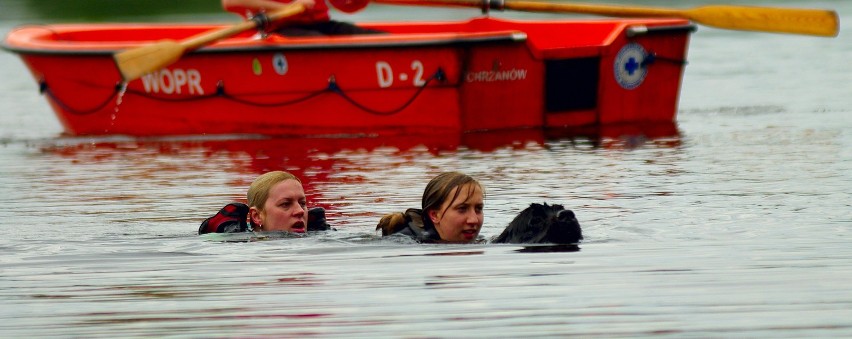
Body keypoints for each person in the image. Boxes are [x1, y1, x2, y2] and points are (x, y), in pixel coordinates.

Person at [199, 171, 331, 234]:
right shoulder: (241, 247)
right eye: (285, 204)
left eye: (302, 203)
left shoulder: (322, 238)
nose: (300, 211)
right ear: (257, 216)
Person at [377, 172, 485, 243]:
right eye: (462, 209)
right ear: (434, 215)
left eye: (478, 209)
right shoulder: (406, 246)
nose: (474, 220)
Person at [221, 0, 381, 36]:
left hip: (321, 24)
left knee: (377, 39)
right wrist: (286, 8)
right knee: (320, 45)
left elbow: (343, 5)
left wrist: (354, 3)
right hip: (278, 30)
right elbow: (231, 2)